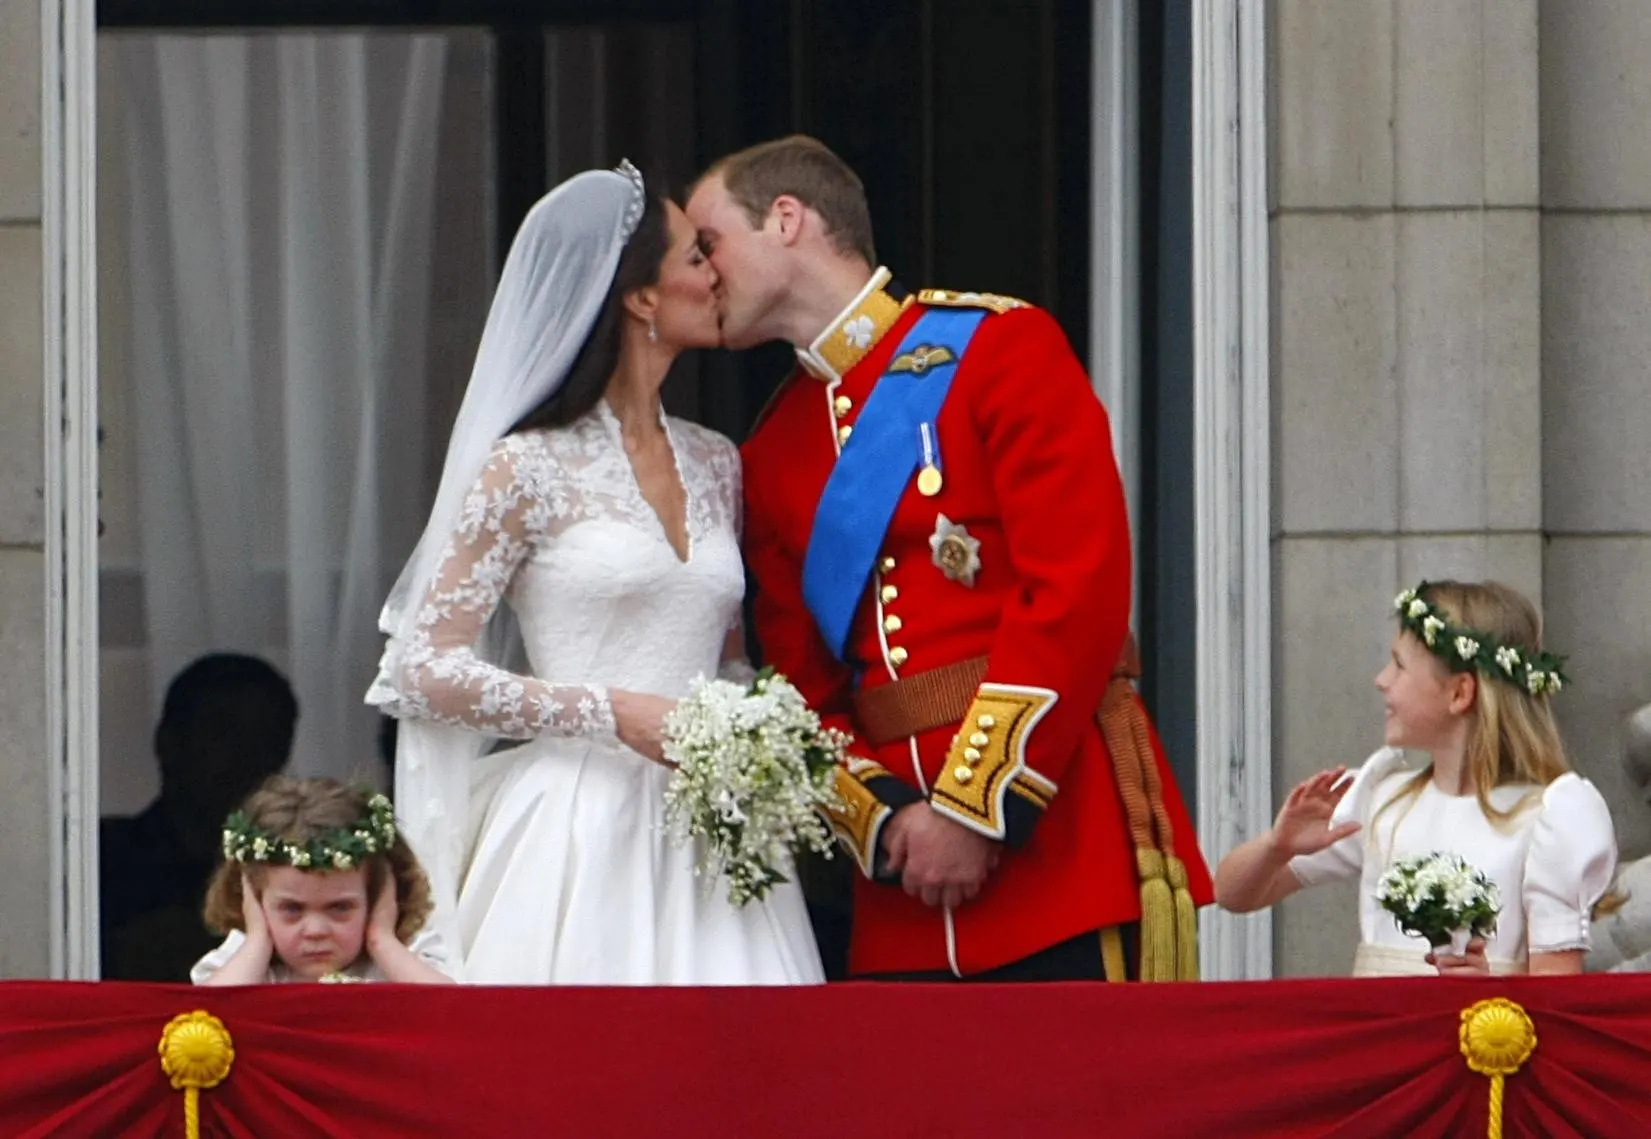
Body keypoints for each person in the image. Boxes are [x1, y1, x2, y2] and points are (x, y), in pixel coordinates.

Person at [685, 135, 1212, 981]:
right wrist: (888, 821)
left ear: (785, 220)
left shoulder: (1001, 348)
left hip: (1057, 850)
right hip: (903, 892)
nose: (702, 273)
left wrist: (973, 809)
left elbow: (1077, 591)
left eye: (709, 243)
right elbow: (798, 689)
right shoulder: (772, 449)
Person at [367, 161, 823, 985]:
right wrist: (611, 711)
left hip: (715, 832)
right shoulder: (523, 469)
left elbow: (725, 657)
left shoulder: (716, 461)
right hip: (576, 826)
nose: (716, 273)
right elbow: (422, 668)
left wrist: (758, 737)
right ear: (641, 298)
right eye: (695, 257)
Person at [1215, 580, 1617, 977]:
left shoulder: (1547, 818)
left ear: (1460, 693)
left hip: (1483, 1037)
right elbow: (1232, 895)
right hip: (1382, 1036)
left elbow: (1557, 988)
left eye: (1399, 665)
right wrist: (1275, 847)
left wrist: (1488, 989)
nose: (1382, 680)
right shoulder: (1382, 799)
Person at [100, 652, 297, 980]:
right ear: (169, 741)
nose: (249, 755)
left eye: (268, 737)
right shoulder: (103, 860)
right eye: (226, 732)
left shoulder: (296, 867)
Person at [193, 776, 455, 984]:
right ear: (253, 902)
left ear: (377, 898)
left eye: (340, 908)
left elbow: (454, 1013)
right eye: (292, 909)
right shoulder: (243, 962)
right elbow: (206, 1017)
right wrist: (258, 942)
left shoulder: (406, 956)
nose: (316, 931)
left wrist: (382, 941)